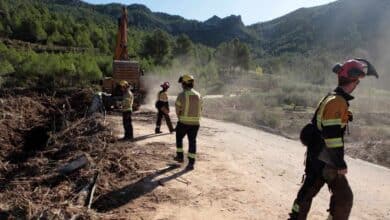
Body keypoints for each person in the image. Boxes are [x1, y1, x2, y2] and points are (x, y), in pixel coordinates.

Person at [288, 59, 378, 220]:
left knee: (308, 192)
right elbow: (332, 137)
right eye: (358, 81)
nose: (358, 84)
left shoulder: (333, 98)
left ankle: (295, 217)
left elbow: (327, 127)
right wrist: (340, 164)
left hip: (317, 155)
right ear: (354, 81)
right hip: (325, 159)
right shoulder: (337, 102)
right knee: (343, 198)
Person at [174, 74, 202, 170]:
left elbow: (177, 109)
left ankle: (180, 157)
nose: (181, 85)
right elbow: (201, 108)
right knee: (192, 142)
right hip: (196, 124)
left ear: (185, 83)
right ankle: (191, 163)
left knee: (179, 138)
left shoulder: (181, 95)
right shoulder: (198, 95)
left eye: (182, 83)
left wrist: (180, 117)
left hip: (183, 123)